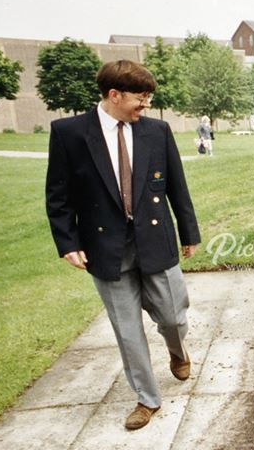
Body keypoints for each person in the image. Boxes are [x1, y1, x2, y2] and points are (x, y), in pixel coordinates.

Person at [45, 60, 201, 430]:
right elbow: (58, 194)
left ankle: (177, 351)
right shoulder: (69, 133)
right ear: (114, 95)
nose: (145, 105)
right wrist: (68, 242)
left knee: (173, 316)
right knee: (127, 330)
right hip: (105, 247)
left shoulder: (157, 131)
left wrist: (188, 232)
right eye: (140, 98)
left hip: (154, 238)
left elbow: (177, 185)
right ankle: (147, 399)